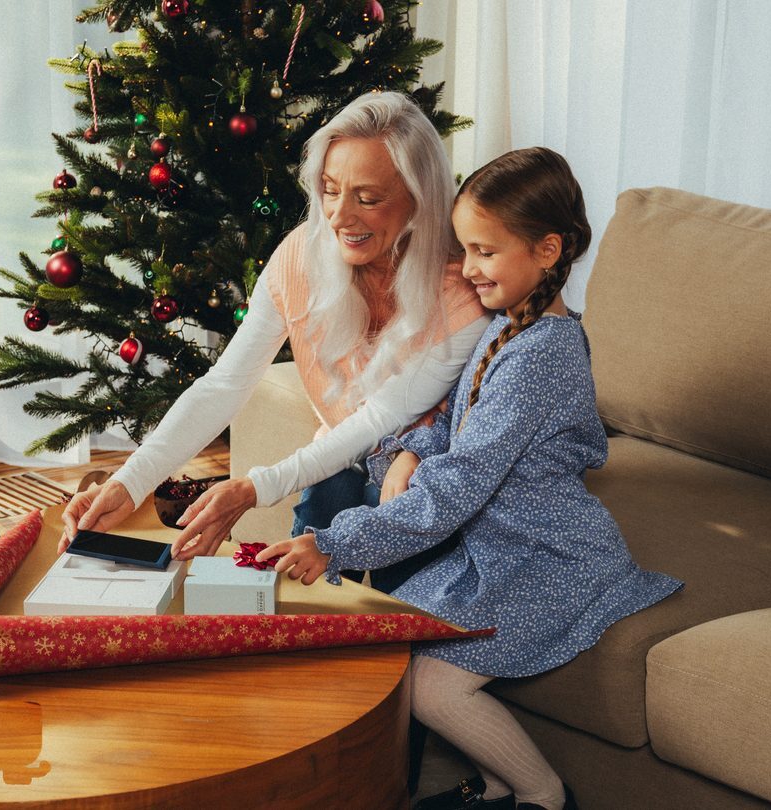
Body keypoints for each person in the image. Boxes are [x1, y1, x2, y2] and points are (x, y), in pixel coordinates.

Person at [256, 147, 684, 810]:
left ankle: (542, 794)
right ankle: (494, 788)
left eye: (484, 252)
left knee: (431, 686)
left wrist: (336, 544)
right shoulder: (506, 326)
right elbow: (459, 422)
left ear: (548, 250)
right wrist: (411, 450)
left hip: (546, 559)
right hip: (496, 548)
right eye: (464, 250)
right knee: (399, 642)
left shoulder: (543, 353)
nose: (467, 268)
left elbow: (461, 480)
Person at [58, 92, 490, 591]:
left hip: (422, 479)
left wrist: (253, 488)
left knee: (404, 609)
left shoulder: (462, 289)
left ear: (419, 199)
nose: (338, 216)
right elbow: (225, 383)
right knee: (306, 580)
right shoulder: (300, 257)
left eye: (368, 199)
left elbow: (380, 420)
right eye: (330, 190)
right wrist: (129, 482)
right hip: (341, 461)